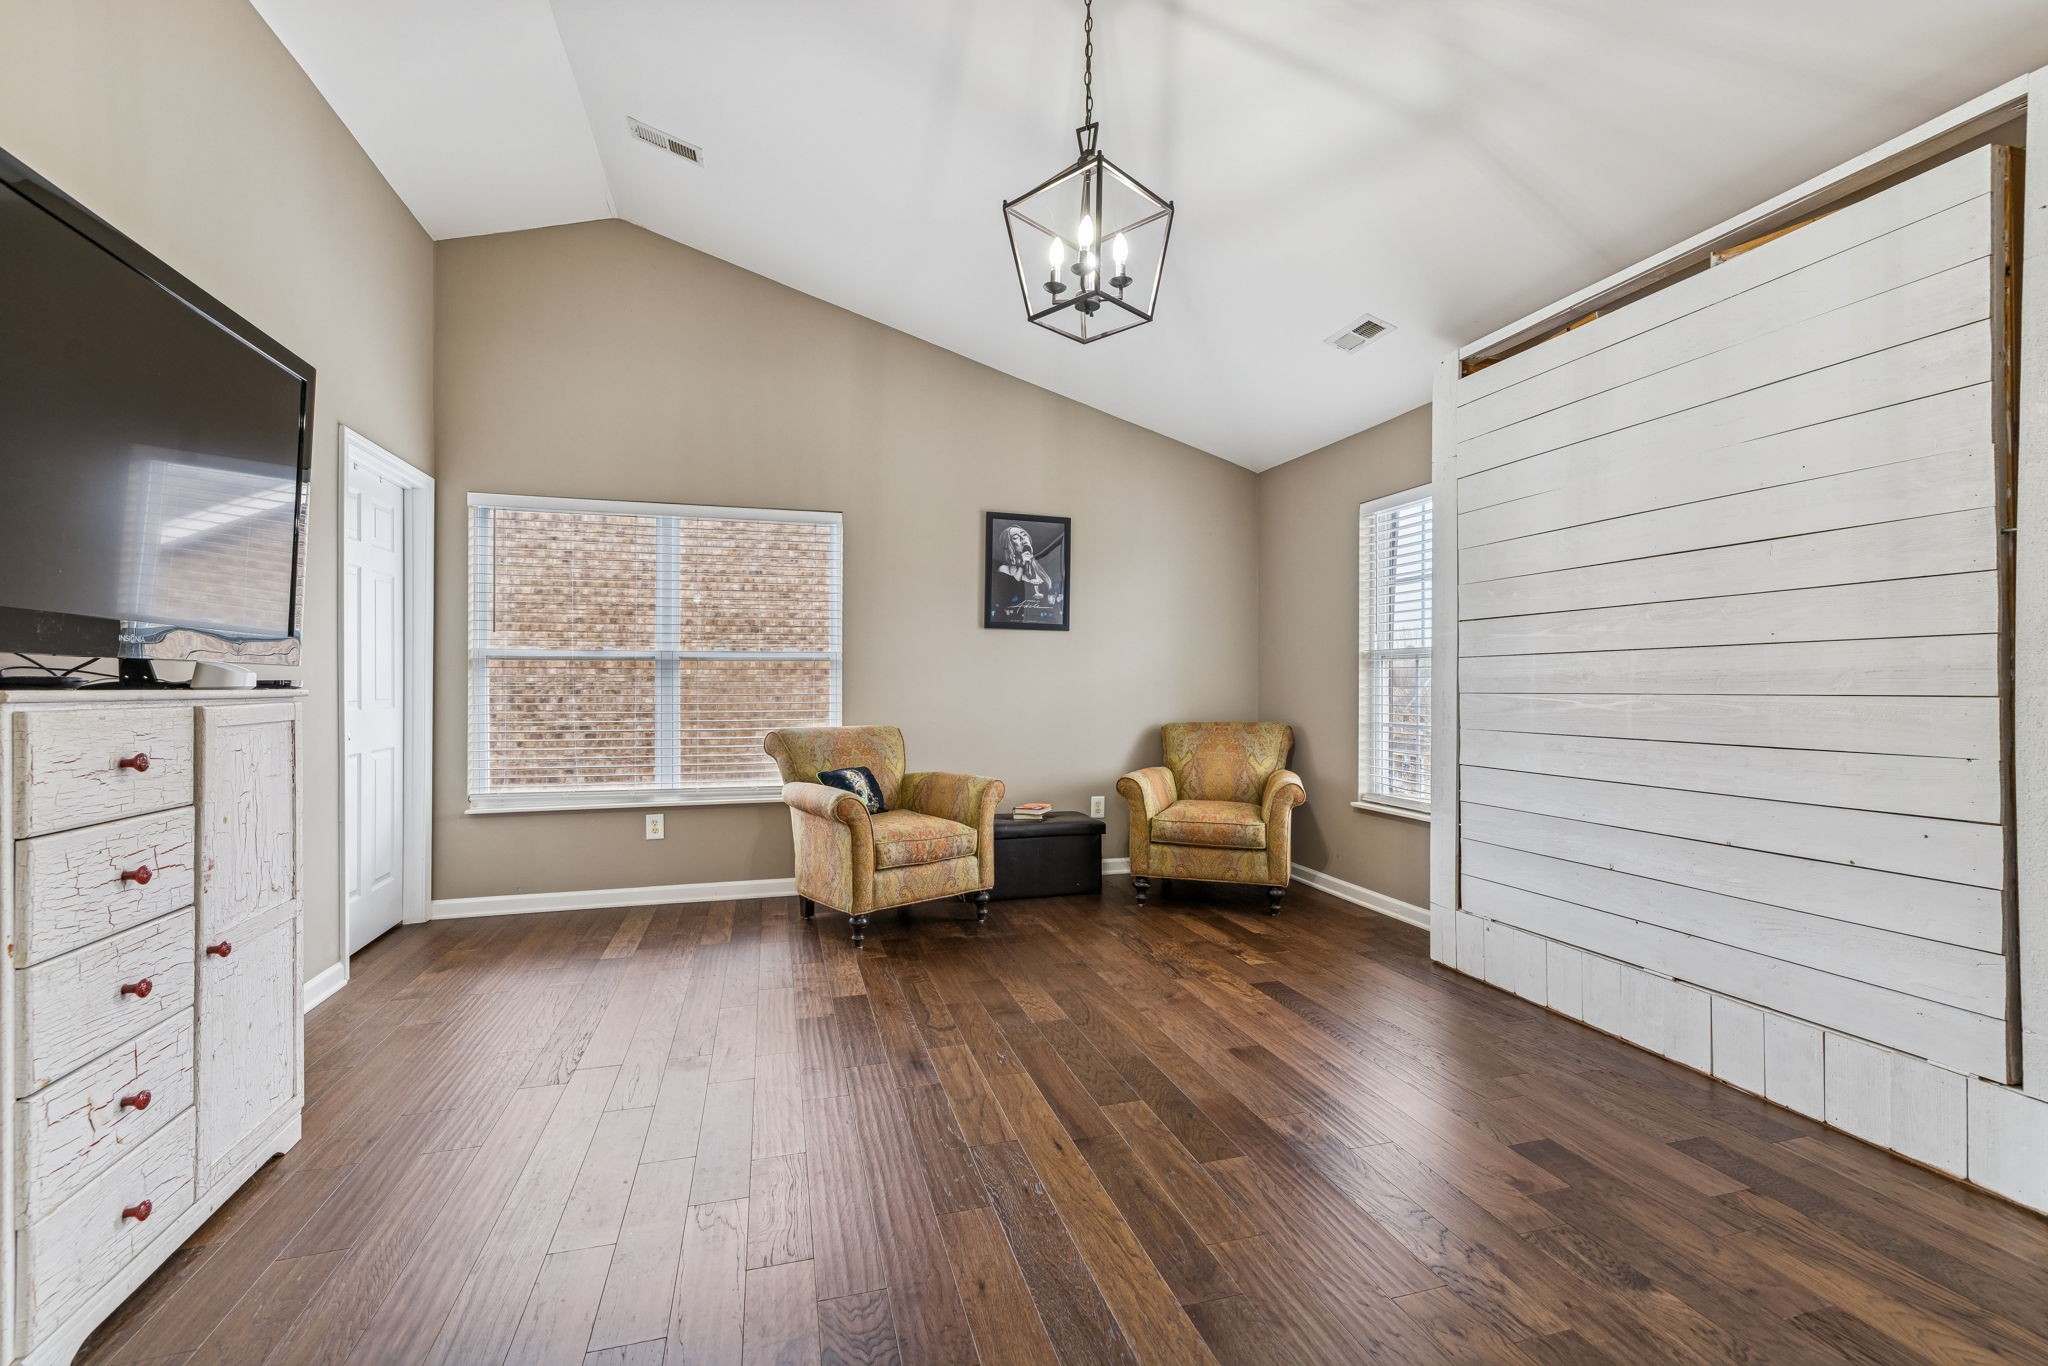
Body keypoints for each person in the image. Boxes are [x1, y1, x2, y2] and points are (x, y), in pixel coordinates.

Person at [994, 524, 1062, 613]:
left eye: (1024, 534)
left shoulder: (1041, 566)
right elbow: (1007, 597)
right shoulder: (1004, 569)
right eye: (1015, 538)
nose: (1023, 538)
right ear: (1010, 546)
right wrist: (1022, 563)